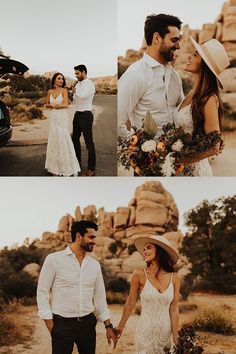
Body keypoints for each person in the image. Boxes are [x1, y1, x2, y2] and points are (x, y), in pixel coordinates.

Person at [36, 220, 117, 354]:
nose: (94, 241)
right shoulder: (54, 259)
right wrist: (49, 323)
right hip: (62, 324)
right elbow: (42, 291)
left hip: (87, 324)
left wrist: (108, 325)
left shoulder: (94, 265)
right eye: (91, 237)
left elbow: (100, 297)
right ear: (78, 236)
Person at [118, 13, 184, 140]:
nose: (178, 46)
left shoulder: (175, 76)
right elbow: (118, 122)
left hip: (177, 157)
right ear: (157, 38)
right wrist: (136, 147)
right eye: (174, 40)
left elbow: (183, 113)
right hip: (146, 157)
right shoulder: (136, 74)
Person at [173, 37, 230, 176]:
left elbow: (213, 147)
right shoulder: (190, 94)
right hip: (179, 171)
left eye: (195, 54)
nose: (189, 56)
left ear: (205, 64)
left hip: (194, 173)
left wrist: (177, 161)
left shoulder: (209, 99)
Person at [115, 234, 180, 354]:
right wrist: (120, 328)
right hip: (145, 332)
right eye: (144, 249)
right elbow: (130, 303)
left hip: (165, 334)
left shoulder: (174, 278)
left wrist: (176, 337)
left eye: (148, 248)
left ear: (160, 251)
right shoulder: (138, 275)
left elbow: (174, 308)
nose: (144, 251)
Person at [45, 72, 80, 176]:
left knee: (63, 139)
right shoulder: (50, 91)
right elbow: (46, 103)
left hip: (62, 118)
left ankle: (66, 167)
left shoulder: (64, 90)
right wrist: (50, 105)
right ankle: (55, 166)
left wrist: (54, 106)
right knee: (55, 139)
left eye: (62, 79)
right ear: (54, 80)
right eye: (59, 78)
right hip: (54, 118)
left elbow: (65, 104)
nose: (61, 80)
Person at [71, 64, 96, 176]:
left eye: (77, 73)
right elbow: (75, 100)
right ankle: (78, 162)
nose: (76, 75)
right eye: (75, 73)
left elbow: (84, 95)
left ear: (84, 72)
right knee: (74, 139)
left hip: (86, 115)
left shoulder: (90, 84)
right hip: (77, 114)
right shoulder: (78, 84)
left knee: (88, 142)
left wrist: (75, 92)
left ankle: (91, 168)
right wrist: (73, 94)